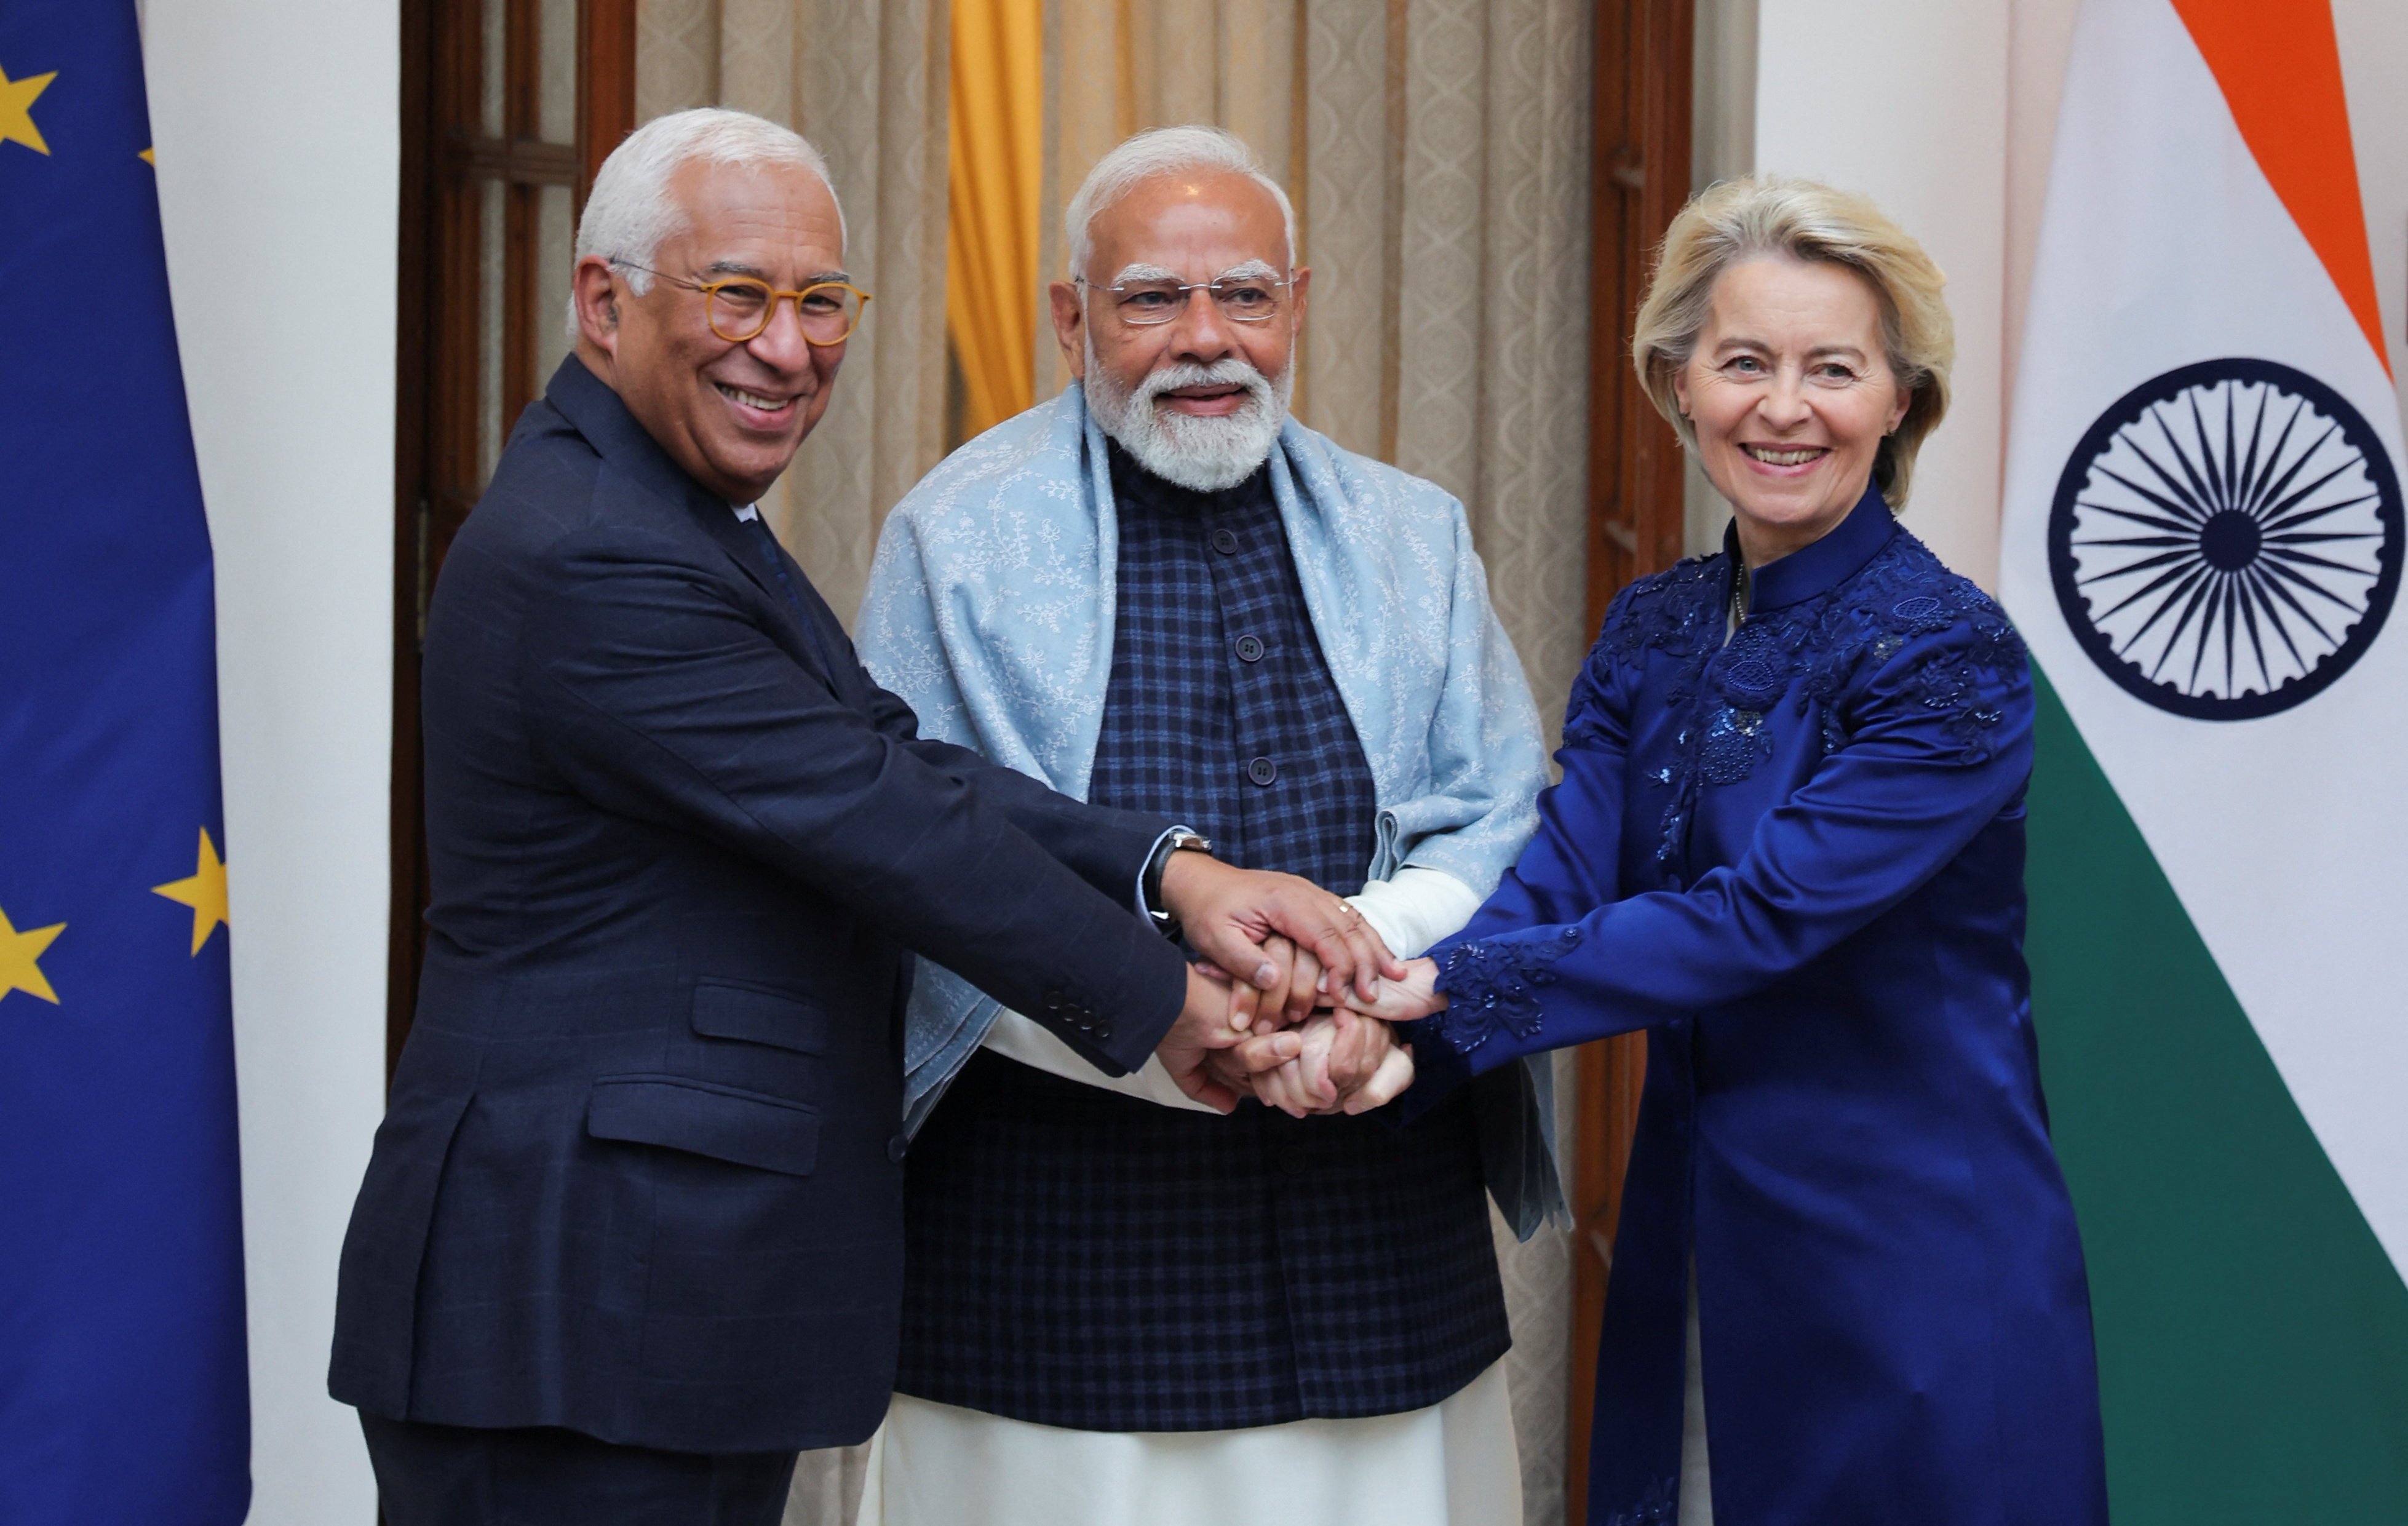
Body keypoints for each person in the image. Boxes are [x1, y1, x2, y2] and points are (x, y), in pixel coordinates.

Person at [325, 108, 1394, 1526]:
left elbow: (893, 757)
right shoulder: (596, 551)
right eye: (739, 294)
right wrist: (1164, 1005)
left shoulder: (671, 507)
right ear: (604, 302)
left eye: (821, 300)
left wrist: (1175, 871)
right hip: (573, 1303)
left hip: (653, 1302)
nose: (787, 345)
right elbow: (880, 820)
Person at [1349, 175, 2110, 1525]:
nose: (1782, 406)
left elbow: (1751, 919)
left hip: (1912, 1260)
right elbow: (1563, 872)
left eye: (1832, 368)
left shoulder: (1951, 654)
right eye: (1743, 361)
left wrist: (1431, 1002)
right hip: (1699, 1226)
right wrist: (1379, 1005)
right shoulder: (1653, 624)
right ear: (1677, 384)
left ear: (1896, 402)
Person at [850, 126, 1559, 1526]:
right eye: (1147, 299)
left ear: (1295, 304)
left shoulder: (1410, 534)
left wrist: (1371, 975)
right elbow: (916, 857)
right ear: (1068, 318)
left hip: (1376, 1243)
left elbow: (1500, 815)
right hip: (1052, 1268)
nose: (1202, 340)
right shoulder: (956, 539)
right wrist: (1178, 1018)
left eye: (1241, 295)